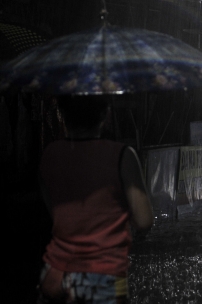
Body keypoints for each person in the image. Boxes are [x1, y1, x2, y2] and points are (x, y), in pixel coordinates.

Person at [37, 95, 154, 304]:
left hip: (56, 275)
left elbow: (55, 213)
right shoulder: (123, 156)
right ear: (106, 114)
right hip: (104, 278)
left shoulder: (49, 155)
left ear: (62, 114)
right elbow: (144, 221)